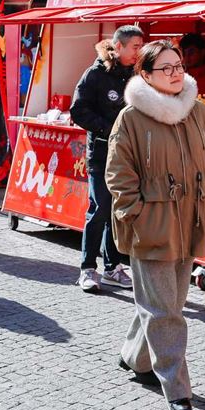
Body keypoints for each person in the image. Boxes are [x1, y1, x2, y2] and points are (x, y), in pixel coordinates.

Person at [106, 40, 205, 410]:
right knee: (165, 311)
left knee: (165, 302)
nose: (177, 74)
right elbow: (118, 173)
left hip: (192, 219)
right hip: (151, 225)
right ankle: (177, 391)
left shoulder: (200, 112)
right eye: (166, 68)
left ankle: (135, 355)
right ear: (145, 75)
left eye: (179, 66)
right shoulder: (130, 118)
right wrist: (135, 214)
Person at [69, 26, 143, 293]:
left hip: (129, 155)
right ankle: (88, 268)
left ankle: (113, 267)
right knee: (99, 208)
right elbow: (78, 110)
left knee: (119, 212)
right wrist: (108, 128)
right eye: (135, 46)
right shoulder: (95, 74)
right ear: (119, 46)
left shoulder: (137, 75)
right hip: (100, 154)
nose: (139, 52)